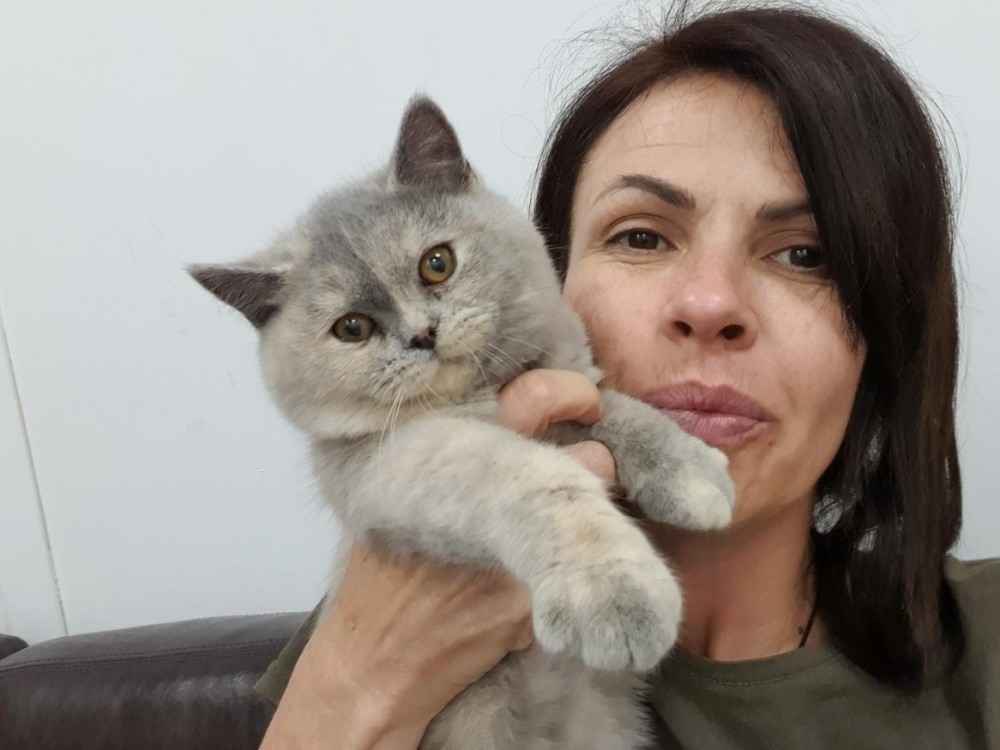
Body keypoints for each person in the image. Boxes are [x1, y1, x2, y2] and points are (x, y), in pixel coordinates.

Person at [258, 4, 999, 749]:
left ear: (885, 329)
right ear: (557, 270)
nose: (710, 305)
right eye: (642, 236)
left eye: (805, 255)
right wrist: (355, 686)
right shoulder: (381, 615)